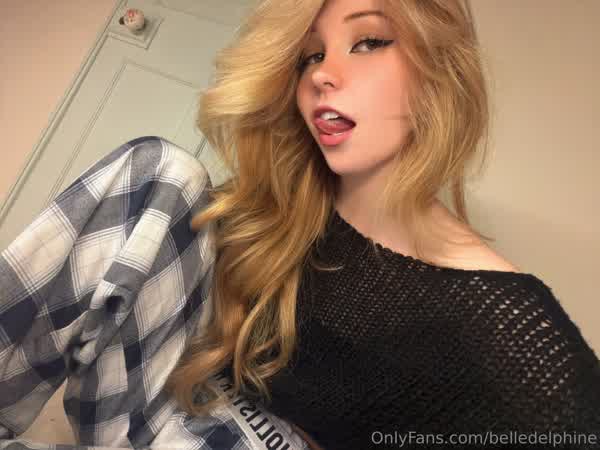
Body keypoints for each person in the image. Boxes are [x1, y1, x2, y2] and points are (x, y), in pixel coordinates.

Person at [1, 2, 599, 450]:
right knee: (160, 172)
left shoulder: (513, 329)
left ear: (440, 69)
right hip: (164, 409)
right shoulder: (283, 212)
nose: (322, 75)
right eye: (311, 55)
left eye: (368, 42)